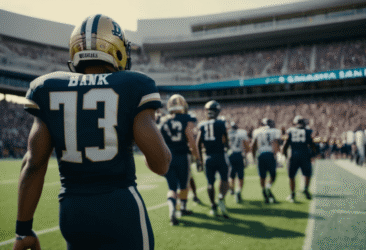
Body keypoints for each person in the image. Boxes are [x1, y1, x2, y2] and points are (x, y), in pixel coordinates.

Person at [13, 14, 171, 250]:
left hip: (72, 211)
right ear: (116, 48)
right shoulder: (134, 84)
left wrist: (22, 230)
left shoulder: (47, 87)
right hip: (120, 207)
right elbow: (161, 163)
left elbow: (34, 164)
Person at [159, 94, 202, 225]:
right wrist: (198, 158)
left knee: (171, 188)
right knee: (183, 185)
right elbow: (191, 139)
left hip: (167, 157)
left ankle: (172, 209)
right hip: (182, 156)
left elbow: (159, 142)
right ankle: (182, 208)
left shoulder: (163, 121)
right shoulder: (187, 119)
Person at [196, 100, 230, 218]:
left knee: (210, 183)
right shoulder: (221, 123)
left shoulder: (202, 125)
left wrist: (199, 160)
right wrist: (225, 147)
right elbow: (226, 140)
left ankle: (213, 206)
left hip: (208, 157)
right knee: (225, 180)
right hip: (220, 155)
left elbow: (198, 144)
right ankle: (221, 197)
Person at [282, 115, 316, 203]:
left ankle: (292, 194)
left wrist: (285, 155)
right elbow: (312, 144)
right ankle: (306, 189)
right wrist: (313, 155)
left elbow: (285, 145)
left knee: (291, 176)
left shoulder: (290, 131)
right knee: (307, 174)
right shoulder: (307, 131)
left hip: (293, 156)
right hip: (305, 155)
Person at [251, 118, 281, 204]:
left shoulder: (257, 131)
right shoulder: (274, 131)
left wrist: (253, 157)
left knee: (262, 176)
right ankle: (268, 187)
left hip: (260, 155)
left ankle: (264, 190)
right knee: (273, 175)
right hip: (270, 154)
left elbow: (253, 145)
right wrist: (277, 155)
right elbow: (274, 143)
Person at [228, 122, 250, 203]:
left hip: (230, 155)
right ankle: (238, 191)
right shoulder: (242, 133)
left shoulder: (228, 133)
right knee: (240, 175)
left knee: (231, 175)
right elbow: (247, 147)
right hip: (239, 155)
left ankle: (232, 190)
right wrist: (246, 154)